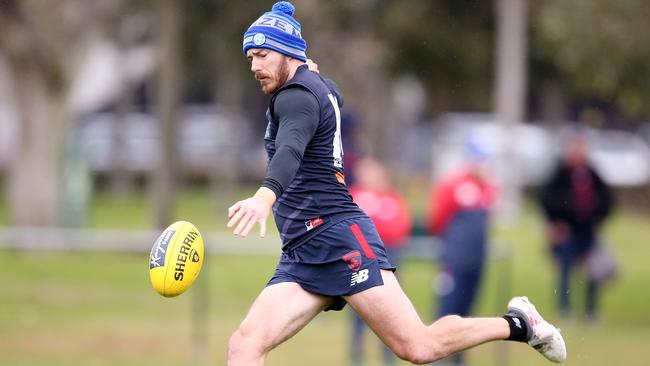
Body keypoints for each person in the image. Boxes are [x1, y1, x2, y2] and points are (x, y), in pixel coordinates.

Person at [226, 2, 566, 365]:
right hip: (302, 251)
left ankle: (518, 323)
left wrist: (265, 197)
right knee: (245, 344)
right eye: (250, 58)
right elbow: (333, 95)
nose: (255, 66)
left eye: (262, 55)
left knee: (418, 347)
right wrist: (313, 74)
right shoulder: (314, 88)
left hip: (338, 240)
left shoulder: (296, 98)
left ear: (287, 52)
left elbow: (290, 151)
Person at [426, 141, 497, 365]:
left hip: (477, 258)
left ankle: (459, 354)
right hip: (455, 258)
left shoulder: (488, 187)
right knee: (449, 306)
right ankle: (438, 353)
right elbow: (437, 219)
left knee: (468, 309)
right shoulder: (454, 184)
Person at [539, 130, 614, 320]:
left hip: (587, 232)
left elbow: (607, 199)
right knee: (565, 269)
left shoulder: (592, 173)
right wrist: (555, 224)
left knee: (594, 271)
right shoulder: (561, 173)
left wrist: (599, 218)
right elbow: (547, 199)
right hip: (567, 232)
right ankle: (564, 309)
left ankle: (590, 309)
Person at [347, 157, 413, 366]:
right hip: (361, 260)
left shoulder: (392, 198)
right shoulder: (353, 196)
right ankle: (356, 354)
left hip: (388, 258)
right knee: (359, 309)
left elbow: (401, 226)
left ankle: (388, 354)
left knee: (389, 311)